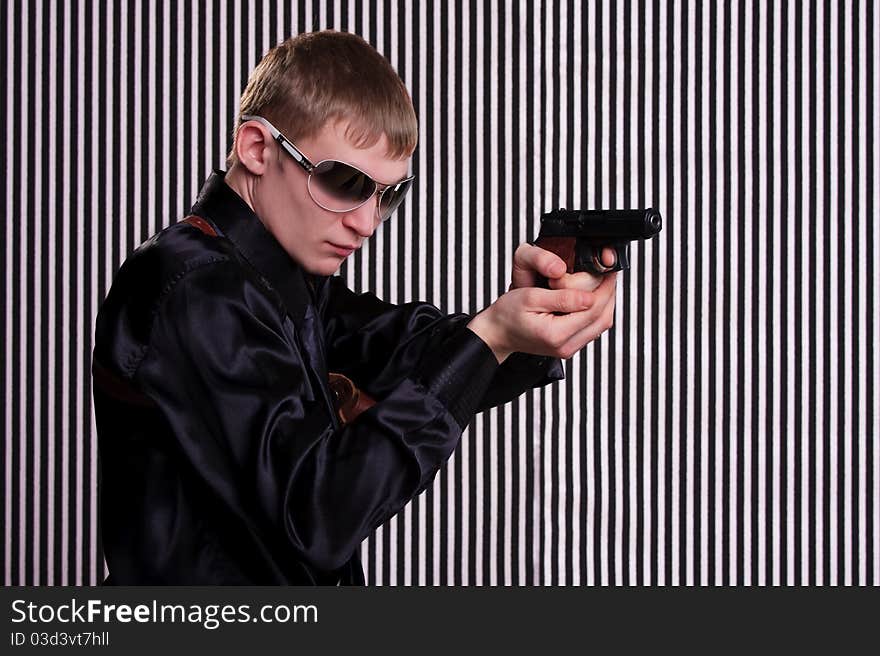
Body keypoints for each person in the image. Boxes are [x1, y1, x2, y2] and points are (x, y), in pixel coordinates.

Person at [92, 30, 618, 585]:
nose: (366, 223)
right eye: (344, 182)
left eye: (387, 196)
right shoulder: (196, 288)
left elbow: (401, 349)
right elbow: (316, 515)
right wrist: (489, 338)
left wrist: (527, 319)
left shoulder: (274, 272)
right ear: (257, 149)